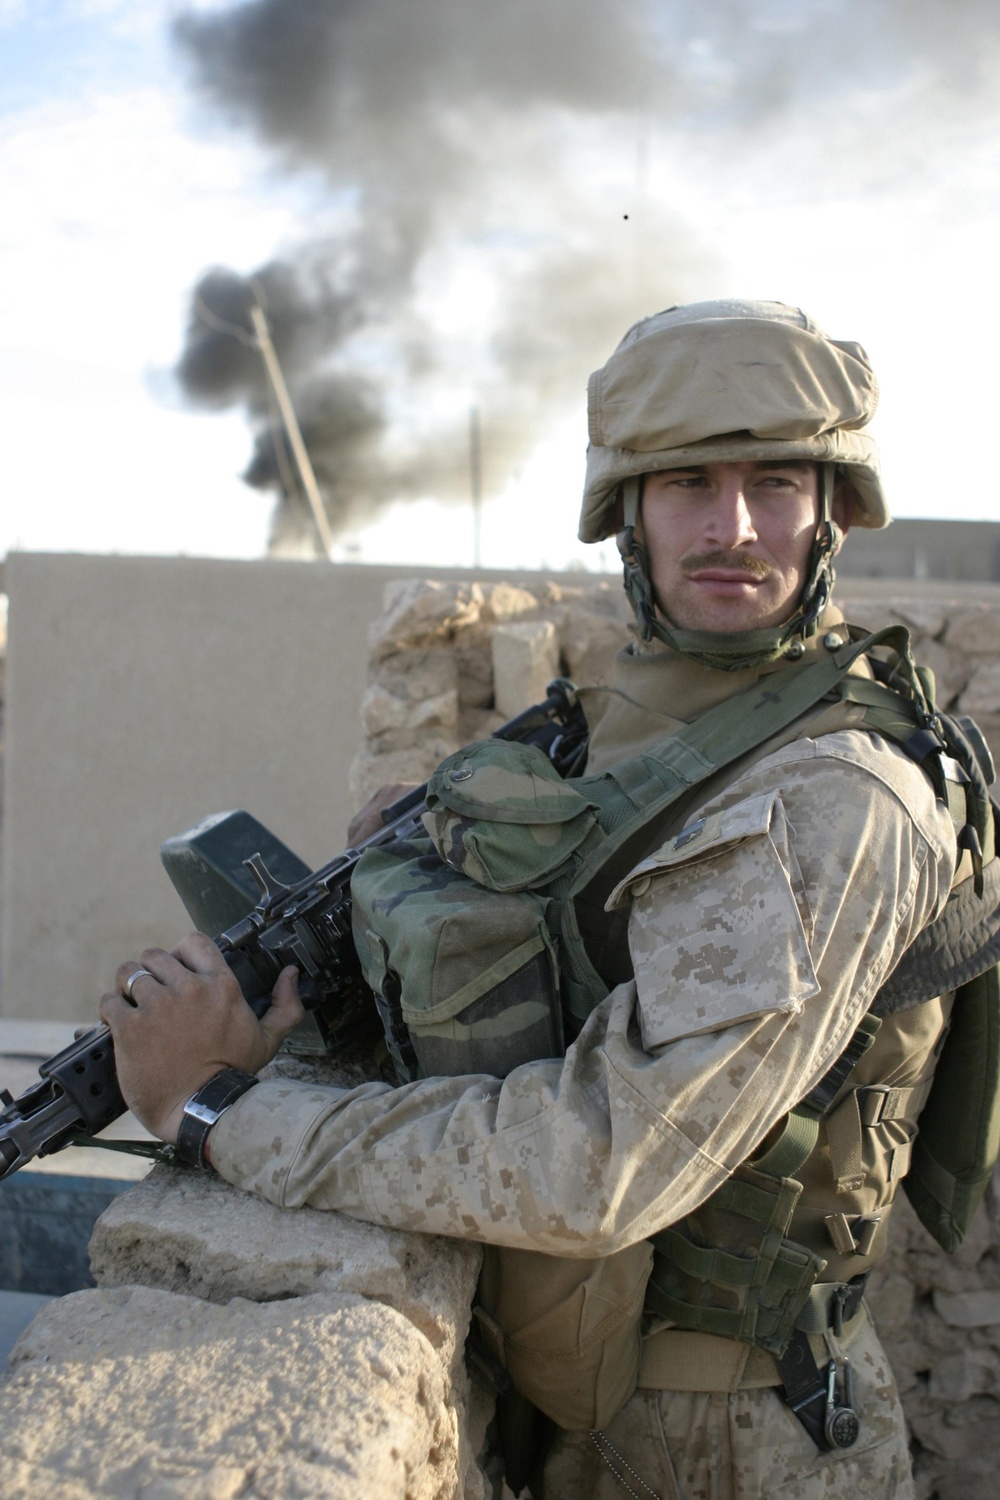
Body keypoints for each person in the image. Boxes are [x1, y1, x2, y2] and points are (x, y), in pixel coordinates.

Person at [101, 301, 994, 1500]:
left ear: (832, 509)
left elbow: (597, 1163)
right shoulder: (644, 718)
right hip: (608, 1405)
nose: (732, 527)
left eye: (776, 482)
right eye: (684, 483)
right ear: (624, 511)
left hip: (733, 1441)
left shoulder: (837, 797)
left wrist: (217, 1114)